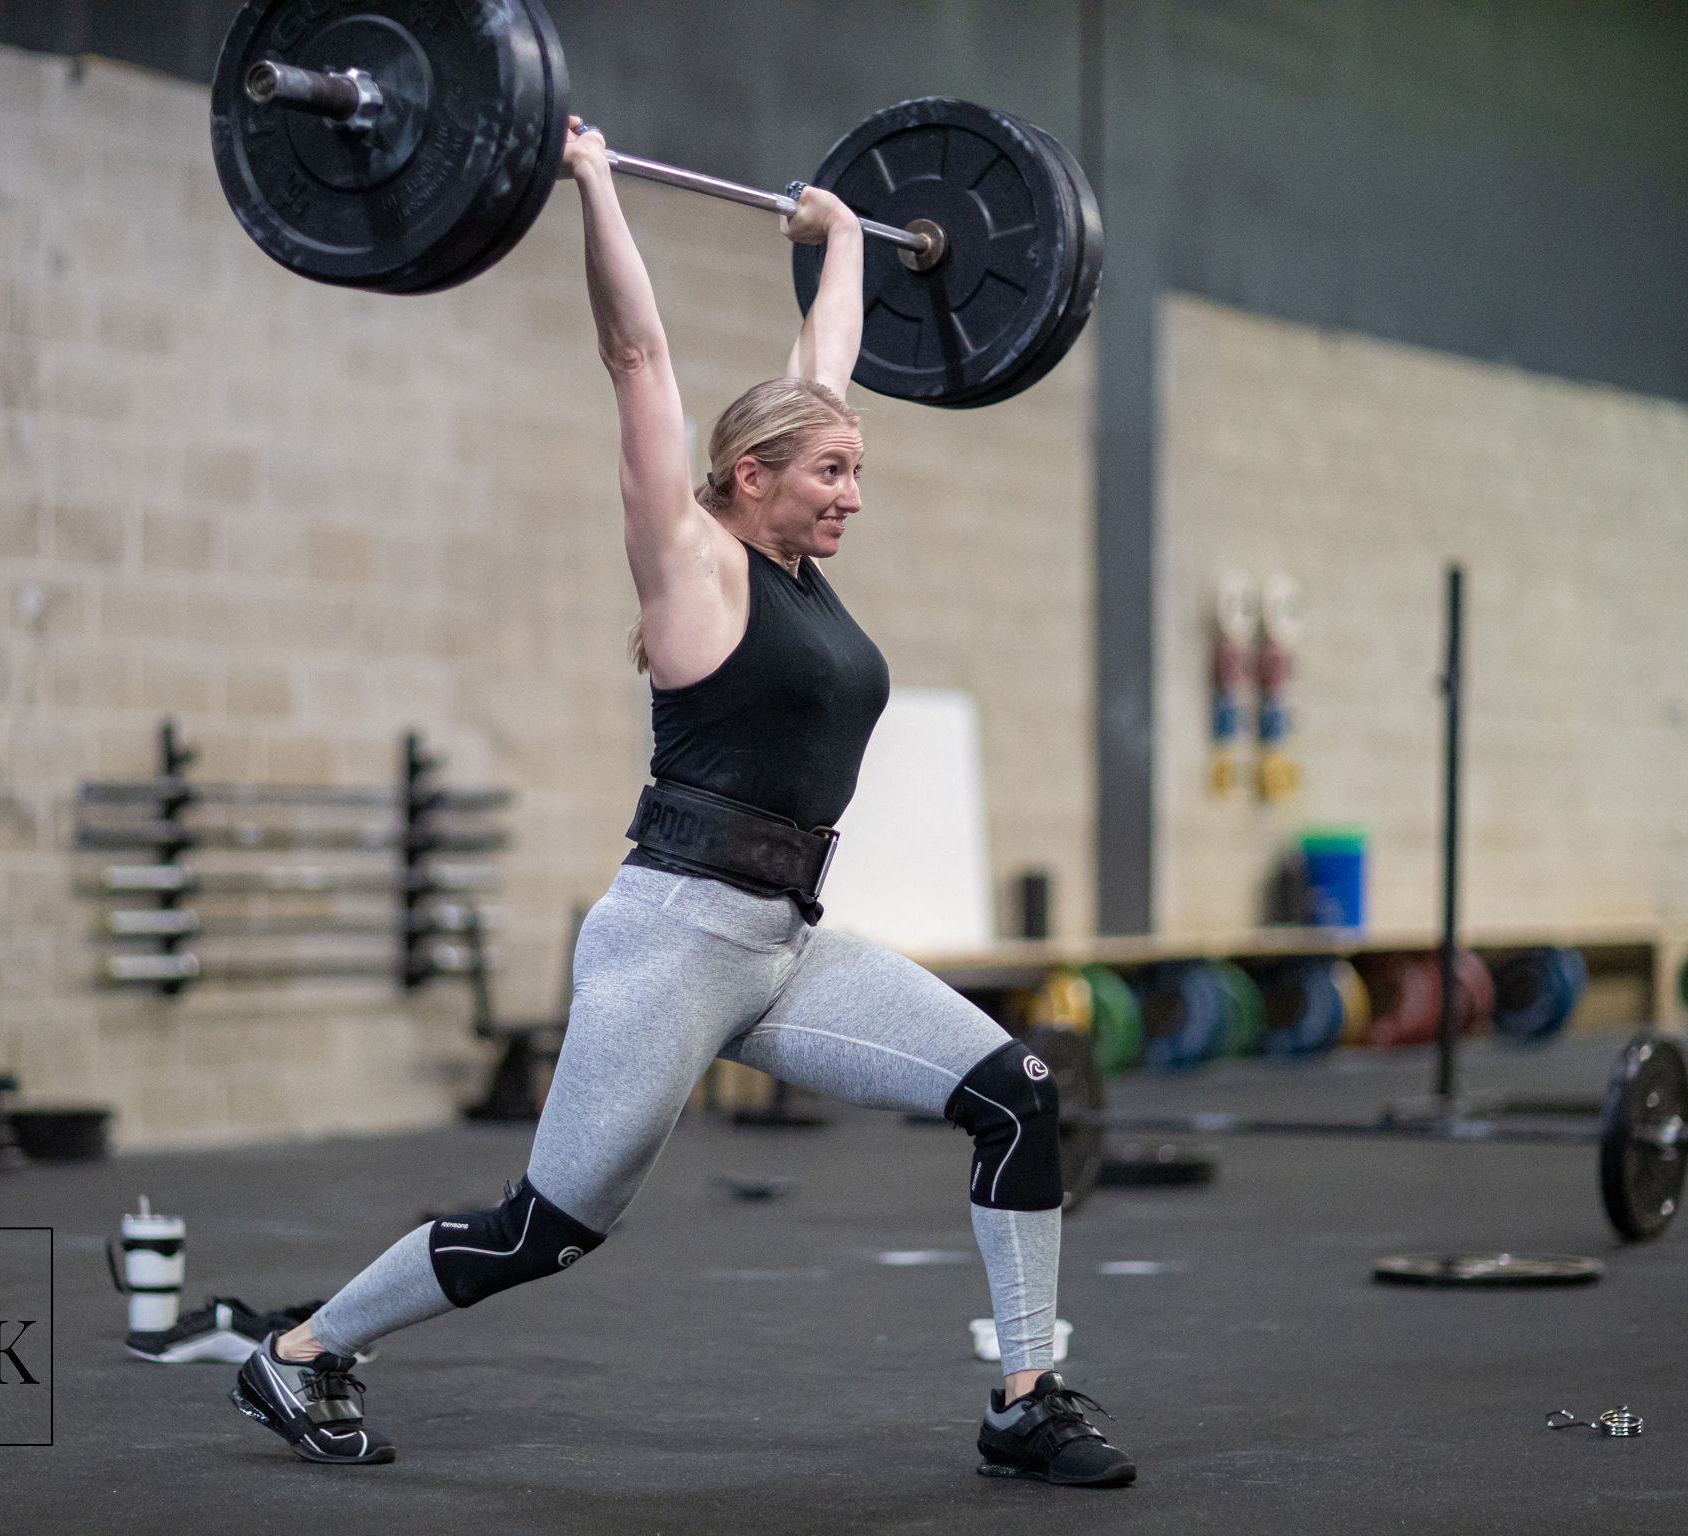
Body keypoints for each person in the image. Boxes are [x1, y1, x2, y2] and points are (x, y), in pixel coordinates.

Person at [226, 119, 1133, 1491]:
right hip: (671, 941)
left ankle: (1025, 1394)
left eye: (860, 471)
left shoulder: (799, 551)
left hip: (779, 943)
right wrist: (592, 184)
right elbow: (638, 359)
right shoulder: (692, 570)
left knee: (1014, 1093)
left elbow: (824, 372)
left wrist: (843, 249)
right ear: (750, 475)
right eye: (833, 473)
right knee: (550, 1227)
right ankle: (298, 1354)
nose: (854, 495)